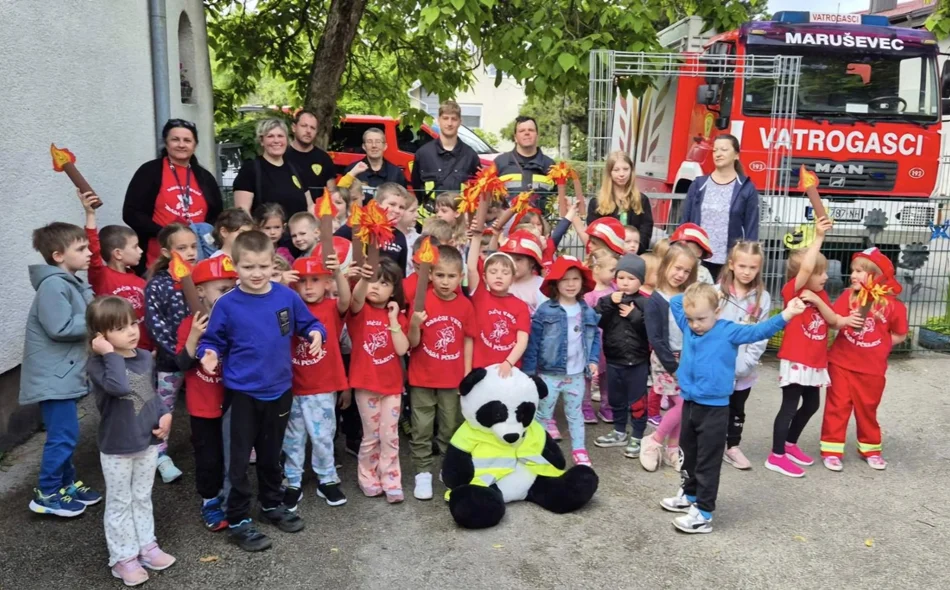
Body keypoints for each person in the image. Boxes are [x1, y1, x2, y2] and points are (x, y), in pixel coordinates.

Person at [198, 230, 327, 552]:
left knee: (271, 455)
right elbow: (210, 341)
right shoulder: (227, 304)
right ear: (234, 265)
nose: (256, 274)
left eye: (263, 266)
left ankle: (271, 504)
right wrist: (209, 355)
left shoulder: (286, 297)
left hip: (280, 390)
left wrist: (315, 334)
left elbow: (309, 323)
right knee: (238, 461)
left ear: (273, 264)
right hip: (242, 394)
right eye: (248, 267)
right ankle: (239, 518)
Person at [660, 283, 804, 534]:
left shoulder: (728, 331)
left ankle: (703, 513)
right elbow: (675, 303)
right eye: (691, 319)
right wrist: (698, 291)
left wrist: (787, 315)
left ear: (717, 311)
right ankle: (689, 495)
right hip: (690, 402)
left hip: (714, 409)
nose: (695, 324)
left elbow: (760, 331)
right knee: (688, 455)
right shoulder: (689, 325)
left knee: (707, 461)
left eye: (701, 318)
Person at [86, 297, 176, 585]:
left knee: (141, 496)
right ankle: (122, 558)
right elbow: (119, 387)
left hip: (147, 441)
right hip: (117, 447)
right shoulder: (99, 364)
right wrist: (109, 353)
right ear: (101, 336)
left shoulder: (145, 357)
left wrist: (164, 415)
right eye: (120, 328)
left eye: (133, 323)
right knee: (120, 502)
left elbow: (147, 393)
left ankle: (146, 546)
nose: (132, 331)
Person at [21, 222, 100, 517]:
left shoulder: (71, 282)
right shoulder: (54, 285)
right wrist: (98, 324)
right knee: (63, 434)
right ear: (58, 255)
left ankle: (66, 484)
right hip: (54, 377)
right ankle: (47, 492)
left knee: (66, 432)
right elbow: (61, 327)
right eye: (81, 248)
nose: (89, 252)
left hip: (63, 374)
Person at [821, 248, 908, 472]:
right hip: (841, 363)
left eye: (860, 271)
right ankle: (831, 450)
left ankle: (870, 449)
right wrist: (845, 320)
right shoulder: (847, 296)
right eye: (853, 271)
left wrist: (882, 344)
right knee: (837, 407)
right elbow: (834, 321)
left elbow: (900, 334)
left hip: (872, 370)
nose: (853, 275)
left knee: (868, 409)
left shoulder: (894, 306)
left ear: (877, 275)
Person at [770, 217, 844, 477]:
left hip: (815, 362)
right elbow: (804, 270)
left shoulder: (820, 295)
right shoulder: (793, 290)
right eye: (818, 272)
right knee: (789, 406)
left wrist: (818, 300)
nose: (825, 276)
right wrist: (819, 237)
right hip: (796, 359)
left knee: (811, 405)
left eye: (824, 272)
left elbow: (834, 320)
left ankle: (790, 444)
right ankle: (776, 455)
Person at [407, 246, 476, 501]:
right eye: (439, 275)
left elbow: (469, 339)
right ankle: (422, 471)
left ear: (460, 277)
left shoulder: (465, 306)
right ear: (430, 275)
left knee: (450, 426)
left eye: (451, 276)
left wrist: (467, 375)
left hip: (452, 378)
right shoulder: (420, 301)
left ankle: (448, 469)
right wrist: (414, 322)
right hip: (422, 377)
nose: (445, 282)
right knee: (421, 427)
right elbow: (412, 342)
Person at [282, 255, 351, 510]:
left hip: (322, 386)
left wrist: (339, 274)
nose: (308, 286)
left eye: (315, 280)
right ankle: (292, 481)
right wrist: (280, 283)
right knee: (292, 437)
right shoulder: (287, 306)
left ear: (327, 283)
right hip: (292, 385)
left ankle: (327, 478)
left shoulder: (332, 308)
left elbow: (346, 300)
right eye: (302, 281)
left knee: (323, 435)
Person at [175, 257, 237, 532]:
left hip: (233, 401)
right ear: (199, 291)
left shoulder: (235, 318)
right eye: (222, 289)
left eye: (232, 288)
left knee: (234, 452)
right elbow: (181, 364)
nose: (229, 294)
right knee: (208, 457)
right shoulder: (189, 324)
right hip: (202, 406)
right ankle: (210, 500)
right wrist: (195, 337)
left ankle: (234, 496)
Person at [523, 256, 601, 468]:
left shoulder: (587, 311)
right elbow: (534, 342)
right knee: (544, 414)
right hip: (549, 374)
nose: (570, 284)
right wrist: (530, 373)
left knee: (575, 414)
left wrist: (593, 360)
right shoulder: (545, 311)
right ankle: (538, 448)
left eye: (575, 279)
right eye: (565, 279)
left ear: (582, 283)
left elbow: (595, 338)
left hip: (576, 374)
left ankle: (579, 450)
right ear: (555, 282)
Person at [348, 259, 411, 502]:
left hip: (392, 386)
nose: (376, 286)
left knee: (390, 435)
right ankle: (368, 477)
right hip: (366, 385)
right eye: (372, 281)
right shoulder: (360, 310)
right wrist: (363, 278)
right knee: (371, 435)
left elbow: (402, 348)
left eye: (383, 283)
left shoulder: (397, 316)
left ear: (394, 289)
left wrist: (394, 320)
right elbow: (354, 299)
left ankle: (391, 479)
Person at [123, 118, 223, 270]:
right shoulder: (149, 172)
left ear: (194, 145)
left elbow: (216, 215)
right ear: (166, 142)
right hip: (158, 257)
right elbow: (131, 213)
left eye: (187, 140)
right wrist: (166, 235)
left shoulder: (205, 177)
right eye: (175, 139)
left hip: (198, 256)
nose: (181, 144)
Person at [144, 223, 199, 484]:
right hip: (171, 361)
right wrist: (180, 354)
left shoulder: (200, 278)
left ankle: (205, 441)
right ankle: (160, 454)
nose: (190, 252)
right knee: (164, 408)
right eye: (182, 248)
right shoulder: (157, 285)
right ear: (166, 252)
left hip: (203, 358)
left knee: (205, 402)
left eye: (193, 247)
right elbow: (157, 326)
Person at [639, 243, 699, 472]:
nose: (680, 274)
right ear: (665, 266)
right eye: (677, 268)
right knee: (683, 405)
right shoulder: (656, 299)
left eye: (686, 271)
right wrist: (673, 366)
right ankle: (654, 441)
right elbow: (655, 337)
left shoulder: (687, 296)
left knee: (681, 404)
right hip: (666, 360)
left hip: (686, 357)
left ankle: (672, 447)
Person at [717, 241, 771, 471]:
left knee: (737, 408)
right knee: (715, 407)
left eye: (752, 267)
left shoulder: (763, 298)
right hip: (718, 365)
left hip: (744, 367)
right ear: (731, 264)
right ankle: (709, 444)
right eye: (742, 266)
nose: (747, 272)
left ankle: (732, 445)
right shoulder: (716, 292)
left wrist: (747, 364)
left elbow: (761, 334)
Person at [593, 254, 651, 459]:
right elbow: (597, 320)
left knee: (637, 400)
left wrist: (635, 317)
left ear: (640, 281)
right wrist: (609, 303)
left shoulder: (645, 303)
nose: (625, 283)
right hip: (614, 359)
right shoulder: (607, 299)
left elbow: (651, 330)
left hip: (637, 361)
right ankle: (619, 431)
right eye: (622, 278)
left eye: (631, 278)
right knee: (616, 398)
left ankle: (637, 435)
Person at [80, 190, 152, 352]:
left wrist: (153, 347)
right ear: (118, 253)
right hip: (115, 352)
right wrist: (90, 214)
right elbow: (93, 248)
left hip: (143, 352)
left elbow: (149, 319)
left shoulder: (141, 282)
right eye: (135, 246)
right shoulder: (102, 276)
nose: (140, 251)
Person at [680, 134, 760, 279]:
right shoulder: (698, 184)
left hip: (729, 261)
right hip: (699, 259)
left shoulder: (747, 188)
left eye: (724, 150)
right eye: (715, 150)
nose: (718, 154)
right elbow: (685, 222)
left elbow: (751, 229)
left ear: (736, 155)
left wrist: (747, 258)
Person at [466, 230, 530, 371]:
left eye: (505, 273)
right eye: (493, 272)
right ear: (484, 277)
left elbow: (522, 340)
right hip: (480, 368)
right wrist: (476, 238)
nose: (499, 276)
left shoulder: (521, 306)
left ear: (512, 279)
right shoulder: (480, 296)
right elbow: (471, 268)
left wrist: (508, 363)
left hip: (508, 369)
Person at [232, 118, 313, 219]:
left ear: (287, 140)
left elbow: (310, 206)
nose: (276, 140)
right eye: (270, 136)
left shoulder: (296, 169)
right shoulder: (250, 170)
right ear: (262, 141)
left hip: (298, 234)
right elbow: (242, 211)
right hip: (264, 234)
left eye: (280, 136)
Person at [411, 100, 481, 206]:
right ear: (439, 120)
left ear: (460, 122)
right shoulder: (423, 154)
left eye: (454, 119)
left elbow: (477, 191)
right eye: (445, 118)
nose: (449, 123)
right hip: (431, 218)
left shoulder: (470, 156)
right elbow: (417, 188)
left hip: (460, 218)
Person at [586, 151, 653, 254]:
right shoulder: (596, 203)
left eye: (626, 169)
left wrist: (634, 250)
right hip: (607, 257)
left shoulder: (642, 200)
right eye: (616, 170)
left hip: (633, 256)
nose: (621, 174)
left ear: (631, 171)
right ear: (609, 173)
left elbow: (646, 231)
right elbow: (595, 234)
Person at [335, 182, 410, 274]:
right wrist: (344, 272)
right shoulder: (357, 226)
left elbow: (401, 275)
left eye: (402, 207)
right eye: (392, 204)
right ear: (376, 204)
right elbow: (331, 248)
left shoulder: (400, 237)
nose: (397, 210)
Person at [583, 248, 619, 424]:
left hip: (611, 339)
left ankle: (607, 406)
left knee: (608, 375)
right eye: (612, 270)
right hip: (593, 341)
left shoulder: (614, 288)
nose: (615, 274)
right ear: (597, 269)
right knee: (588, 375)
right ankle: (585, 407)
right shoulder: (589, 293)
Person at [492, 115, 556, 200]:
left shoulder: (550, 165)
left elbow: (557, 198)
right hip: (506, 213)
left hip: (541, 213)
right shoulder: (500, 163)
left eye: (531, 130)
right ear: (515, 138)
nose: (527, 133)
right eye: (522, 131)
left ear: (537, 136)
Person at [341, 127, 407, 205]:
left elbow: (403, 201)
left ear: (385, 146)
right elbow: (342, 197)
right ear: (364, 146)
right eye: (369, 142)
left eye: (378, 142)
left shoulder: (396, 173)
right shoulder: (352, 170)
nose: (374, 145)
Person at [285, 110, 338, 195]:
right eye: (304, 126)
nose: (308, 131)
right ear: (294, 127)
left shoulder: (324, 158)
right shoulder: (282, 155)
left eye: (312, 128)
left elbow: (332, 193)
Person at [498, 230, 546, 314]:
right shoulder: (500, 283)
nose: (512, 263)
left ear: (532, 262)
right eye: (509, 258)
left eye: (518, 259)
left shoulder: (542, 286)